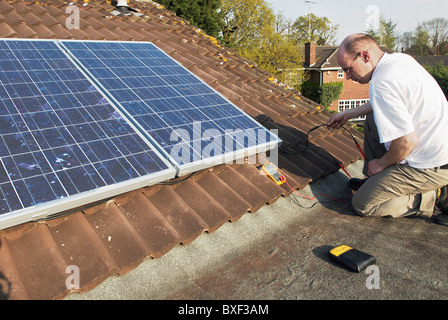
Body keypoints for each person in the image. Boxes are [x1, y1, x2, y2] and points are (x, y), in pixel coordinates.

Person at [326, 33, 448, 225]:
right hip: (437, 150)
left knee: (362, 204)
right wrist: (348, 114)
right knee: (373, 118)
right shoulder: (399, 60)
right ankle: (376, 181)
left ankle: (435, 196)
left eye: (348, 69)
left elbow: (407, 142)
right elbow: (382, 103)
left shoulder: (381, 82)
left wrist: (381, 164)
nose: (348, 76)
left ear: (365, 56)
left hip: (431, 166)